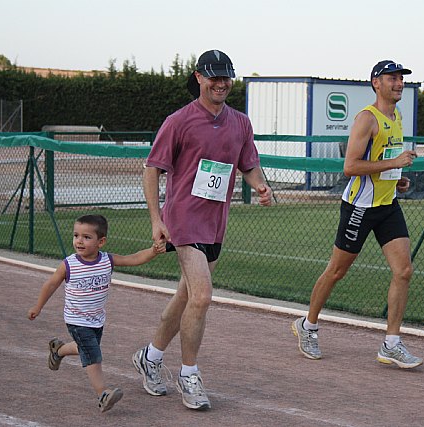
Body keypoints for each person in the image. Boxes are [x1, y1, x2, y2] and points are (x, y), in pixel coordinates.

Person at [132, 49, 272, 411]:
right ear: (198, 77)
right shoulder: (178, 121)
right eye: (214, 76)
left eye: (226, 77)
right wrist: (156, 219)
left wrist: (260, 186)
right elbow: (152, 169)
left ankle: (150, 356)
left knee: (185, 297)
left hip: (215, 224)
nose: (221, 83)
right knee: (203, 297)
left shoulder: (240, 122)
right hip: (183, 219)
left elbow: (250, 165)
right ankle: (189, 374)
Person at [291, 60, 422, 369]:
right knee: (337, 271)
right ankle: (307, 325)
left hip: (387, 205)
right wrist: (392, 165)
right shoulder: (367, 119)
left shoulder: (397, 116)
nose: (399, 83)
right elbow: (350, 167)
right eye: (392, 78)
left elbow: (384, 160)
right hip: (359, 208)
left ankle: (391, 343)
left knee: (403, 271)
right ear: (376, 83)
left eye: (401, 78)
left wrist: (397, 179)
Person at [27, 214, 164, 413]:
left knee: (85, 348)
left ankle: (58, 350)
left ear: (101, 242)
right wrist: (37, 307)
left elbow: (133, 259)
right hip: (76, 320)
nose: (79, 241)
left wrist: (153, 251)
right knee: (92, 355)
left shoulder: (107, 260)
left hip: (96, 320)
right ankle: (103, 393)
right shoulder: (69, 264)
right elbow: (51, 284)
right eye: (76, 236)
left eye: (86, 237)